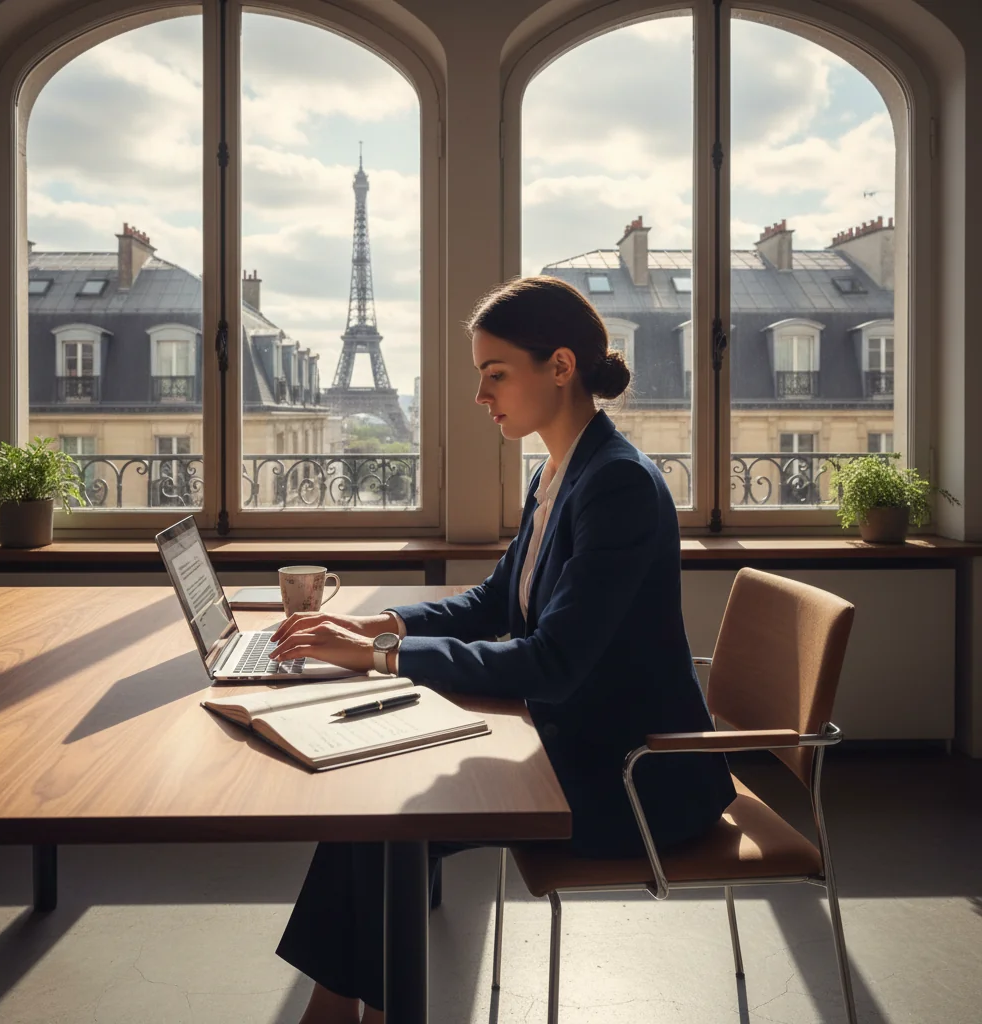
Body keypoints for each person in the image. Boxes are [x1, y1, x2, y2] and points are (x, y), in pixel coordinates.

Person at [268, 276, 737, 1024]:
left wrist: (382, 659)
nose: (481, 396)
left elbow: (551, 663)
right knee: (375, 811)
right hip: (570, 745)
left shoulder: (616, 484)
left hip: (633, 778)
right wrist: (377, 627)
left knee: (386, 815)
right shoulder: (562, 469)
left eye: (495, 374)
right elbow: (494, 602)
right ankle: (345, 1012)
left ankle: (339, 1014)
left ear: (560, 367)